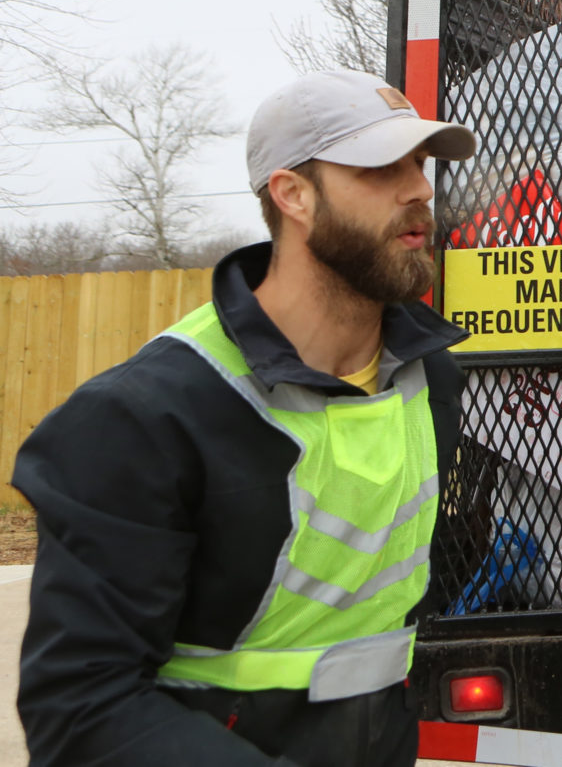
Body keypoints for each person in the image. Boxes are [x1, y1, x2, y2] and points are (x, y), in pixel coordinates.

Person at [12, 70, 477, 766]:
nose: (419, 189)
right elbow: (81, 706)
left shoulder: (428, 376)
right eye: (381, 167)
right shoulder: (142, 418)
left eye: (420, 162)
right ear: (293, 194)